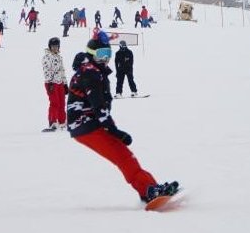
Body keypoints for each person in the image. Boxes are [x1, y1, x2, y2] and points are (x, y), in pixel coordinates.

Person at [66, 34, 178, 204]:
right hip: (86, 125)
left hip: (92, 123)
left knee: (125, 156)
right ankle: (148, 190)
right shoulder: (90, 72)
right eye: (101, 54)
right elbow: (99, 106)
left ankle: (150, 187)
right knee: (122, 155)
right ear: (91, 54)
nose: (105, 59)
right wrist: (114, 131)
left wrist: (111, 127)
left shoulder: (94, 70)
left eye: (108, 54)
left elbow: (100, 107)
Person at [41, 37, 68, 131]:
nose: (55, 48)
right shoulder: (47, 57)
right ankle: (52, 122)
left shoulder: (59, 57)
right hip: (51, 84)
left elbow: (62, 71)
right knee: (54, 103)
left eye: (56, 46)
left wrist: (65, 84)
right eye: (53, 46)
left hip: (60, 83)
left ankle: (62, 122)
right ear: (50, 47)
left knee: (62, 103)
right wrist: (50, 82)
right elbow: (46, 71)